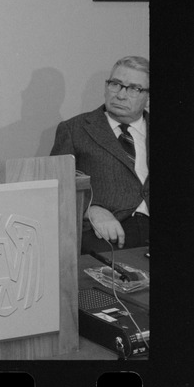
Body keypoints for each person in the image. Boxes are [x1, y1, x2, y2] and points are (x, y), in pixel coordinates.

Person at [51, 55, 149, 253]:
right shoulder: (74, 130)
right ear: (106, 87)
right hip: (105, 234)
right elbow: (56, 188)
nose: (121, 95)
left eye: (133, 88)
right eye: (116, 84)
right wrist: (90, 210)